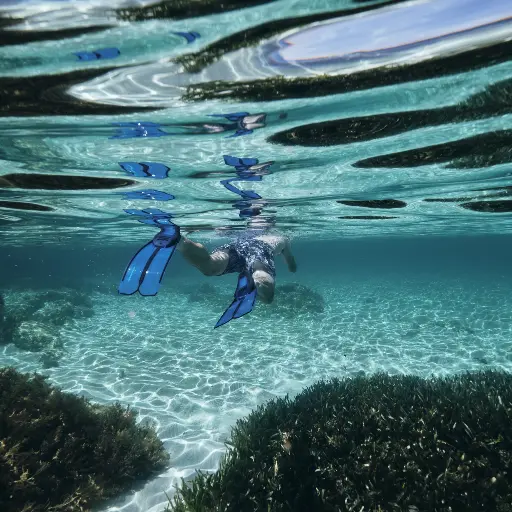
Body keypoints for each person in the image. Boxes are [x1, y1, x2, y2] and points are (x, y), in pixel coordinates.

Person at [177, 233, 297, 304]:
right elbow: (290, 262)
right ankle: (260, 281)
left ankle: (181, 242)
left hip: (238, 245)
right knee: (267, 295)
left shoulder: (248, 233)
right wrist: (292, 269)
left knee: (211, 267)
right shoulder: (283, 238)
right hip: (260, 248)